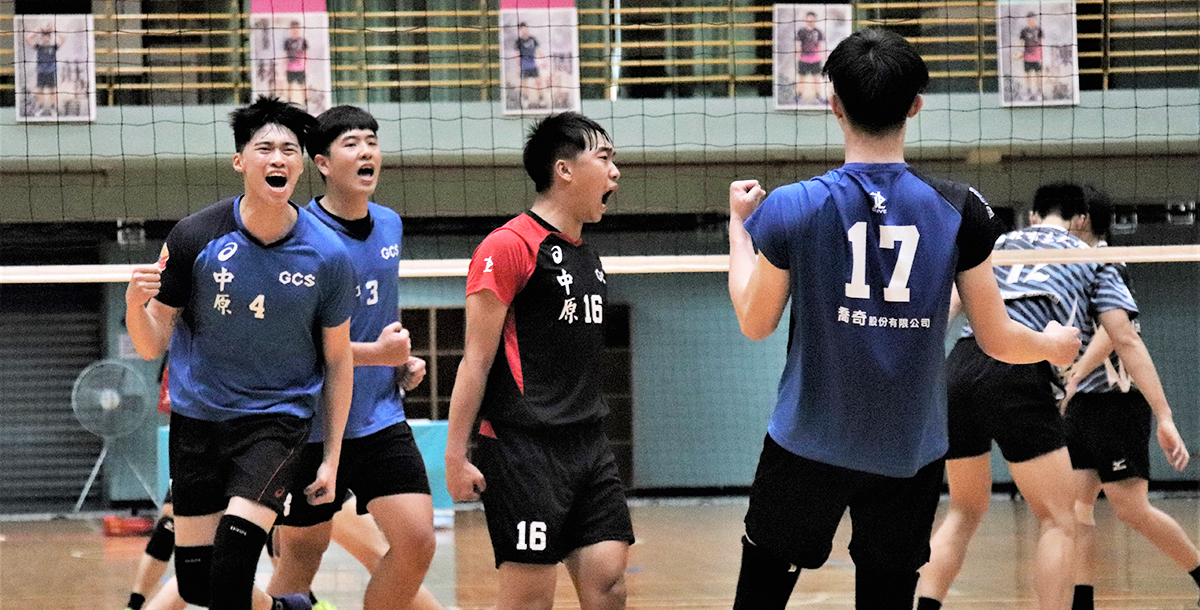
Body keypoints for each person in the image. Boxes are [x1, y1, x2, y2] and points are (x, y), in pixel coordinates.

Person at [727, 28, 1081, 610]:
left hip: (807, 444)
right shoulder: (960, 208)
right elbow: (996, 339)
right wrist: (1052, 344)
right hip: (908, 452)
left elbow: (754, 321)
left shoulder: (793, 205)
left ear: (834, 105)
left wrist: (740, 229)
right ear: (916, 106)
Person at [124, 96, 356, 610]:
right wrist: (133, 306)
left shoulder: (328, 254)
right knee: (195, 585)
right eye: (265, 148)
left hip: (274, 423)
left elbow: (339, 360)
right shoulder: (194, 237)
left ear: (301, 165)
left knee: (231, 570)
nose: (279, 159)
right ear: (239, 161)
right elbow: (150, 343)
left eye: (290, 150)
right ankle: (287, 609)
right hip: (197, 422)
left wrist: (332, 458)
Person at [915, 182, 1179, 610]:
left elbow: (948, 306)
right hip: (1023, 366)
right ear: (1081, 220)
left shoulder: (1000, 243)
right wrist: (1164, 415)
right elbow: (1125, 338)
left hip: (961, 367)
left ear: (1034, 215)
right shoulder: (1092, 257)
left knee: (963, 511)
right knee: (1058, 519)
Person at [444, 112, 631, 610]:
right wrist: (455, 455)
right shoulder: (508, 246)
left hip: (588, 443)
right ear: (564, 170)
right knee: (529, 598)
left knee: (609, 583)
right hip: (523, 449)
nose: (615, 172)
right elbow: (475, 361)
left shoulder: (587, 256)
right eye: (604, 158)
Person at [266, 105, 444, 610]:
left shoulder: (389, 223)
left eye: (372, 141)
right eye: (351, 143)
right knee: (301, 557)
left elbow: (379, 309)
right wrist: (376, 354)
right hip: (311, 425)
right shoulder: (298, 234)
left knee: (417, 542)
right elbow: (293, 341)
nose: (367, 151)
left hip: (379, 418)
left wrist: (398, 363)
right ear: (322, 163)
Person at [1061, 186, 1195, 610]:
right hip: (1080, 405)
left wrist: (1076, 373)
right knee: (1075, 508)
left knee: (1131, 509)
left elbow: (1116, 333)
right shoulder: (1069, 265)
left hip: (1114, 404)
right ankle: (1082, 600)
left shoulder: (1110, 262)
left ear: (1081, 219)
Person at [25, 26, 66, 117]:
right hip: (41, 72)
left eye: (47, 37)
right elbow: (28, 38)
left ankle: (53, 109)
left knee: (52, 91)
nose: (46, 39)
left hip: (51, 72)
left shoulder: (53, 47)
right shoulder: (39, 47)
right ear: (42, 38)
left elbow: (63, 38)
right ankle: (40, 108)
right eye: (44, 37)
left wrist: (54, 30)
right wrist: (38, 30)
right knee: (40, 91)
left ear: (50, 38)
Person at [793, 12, 826, 105]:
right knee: (801, 79)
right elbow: (798, 45)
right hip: (804, 59)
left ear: (814, 20)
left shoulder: (818, 32)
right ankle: (798, 97)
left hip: (815, 59)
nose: (810, 21)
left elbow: (820, 46)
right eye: (808, 19)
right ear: (806, 20)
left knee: (816, 79)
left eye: (812, 20)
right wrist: (798, 56)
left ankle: (818, 97)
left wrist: (822, 57)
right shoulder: (801, 31)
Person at [515, 23, 545, 109]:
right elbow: (517, 54)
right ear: (520, 30)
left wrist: (543, 60)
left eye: (525, 28)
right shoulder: (519, 41)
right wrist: (518, 66)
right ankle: (525, 100)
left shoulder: (533, 39)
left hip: (533, 64)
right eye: (522, 29)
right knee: (524, 84)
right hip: (524, 65)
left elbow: (539, 50)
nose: (524, 30)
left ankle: (541, 100)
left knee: (538, 82)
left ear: (527, 29)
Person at [1018, 12, 1044, 101]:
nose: (1030, 20)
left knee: (1038, 74)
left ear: (1034, 19)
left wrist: (1041, 54)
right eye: (1029, 19)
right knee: (1028, 75)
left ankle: (1039, 92)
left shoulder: (1039, 30)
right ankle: (1029, 92)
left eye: (1032, 18)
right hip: (1027, 56)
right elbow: (1020, 42)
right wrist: (1017, 51)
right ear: (1027, 20)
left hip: (1037, 56)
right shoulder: (1024, 31)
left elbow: (1041, 42)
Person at [283, 21, 309, 107]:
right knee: (289, 87)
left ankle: (306, 104)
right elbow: (285, 55)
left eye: (296, 28)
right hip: (290, 68)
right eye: (293, 28)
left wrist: (307, 67)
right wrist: (283, 68)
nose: (295, 30)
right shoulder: (287, 41)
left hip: (300, 68)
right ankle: (288, 104)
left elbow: (306, 55)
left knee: (303, 87)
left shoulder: (303, 41)